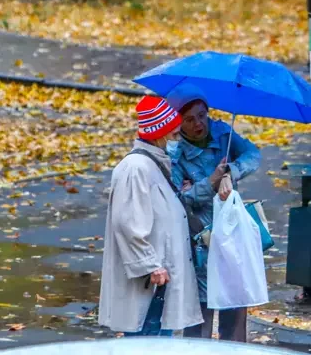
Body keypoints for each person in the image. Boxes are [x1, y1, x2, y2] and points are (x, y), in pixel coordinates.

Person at [98, 95, 203, 337]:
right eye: (175, 135)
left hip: (158, 282)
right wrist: (150, 265)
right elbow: (127, 223)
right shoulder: (136, 168)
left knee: (155, 346)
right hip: (151, 282)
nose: (179, 140)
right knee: (144, 349)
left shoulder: (152, 166)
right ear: (160, 135)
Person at [166, 83, 261, 341]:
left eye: (201, 115)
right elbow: (178, 200)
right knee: (200, 313)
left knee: (234, 301)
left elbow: (253, 155)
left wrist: (230, 170)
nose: (199, 123)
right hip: (200, 238)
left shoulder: (222, 133)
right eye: (189, 119)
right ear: (179, 123)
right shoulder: (175, 154)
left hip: (231, 229)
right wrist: (210, 182)